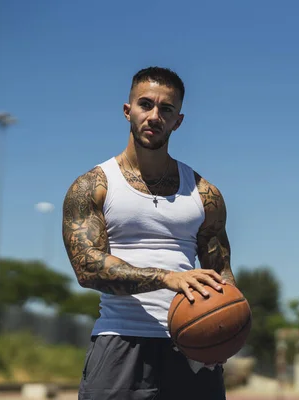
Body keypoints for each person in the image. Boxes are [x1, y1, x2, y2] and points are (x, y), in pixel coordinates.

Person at [62, 66, 237, 400]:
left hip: (192, 347)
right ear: (128, 111)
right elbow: (87, 268)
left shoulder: (204, 194)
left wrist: (225, 327)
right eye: (146, 104)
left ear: (178, 121)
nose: (155, 115)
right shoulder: (92, 187)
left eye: (166, 109)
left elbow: (221, 273)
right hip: (120, 342)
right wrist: (166, 278)